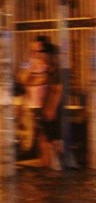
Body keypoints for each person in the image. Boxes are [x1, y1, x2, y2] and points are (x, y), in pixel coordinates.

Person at [16, 35, 49, 155]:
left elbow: (46, 79)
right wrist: (32, 76)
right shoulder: (29, 62)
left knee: (43, 132)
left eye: (38, 50)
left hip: (43, 102)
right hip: (30, 102)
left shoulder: (48, 63)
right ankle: (30, 151)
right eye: (33, 51)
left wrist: (33, 79)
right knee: (29, 129)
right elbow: (21, 78)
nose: (35, 54)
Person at [37, 42, 63, 171]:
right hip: (47, 108)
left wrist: (51, 109)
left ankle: (56, 164)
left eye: (43, 53)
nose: (41, 56)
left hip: (54, 109)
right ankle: (49, 163)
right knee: (46, 136)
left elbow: (57, 91)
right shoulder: (49, 69)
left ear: (50, 55)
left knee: (54, 138)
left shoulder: (57, 70)